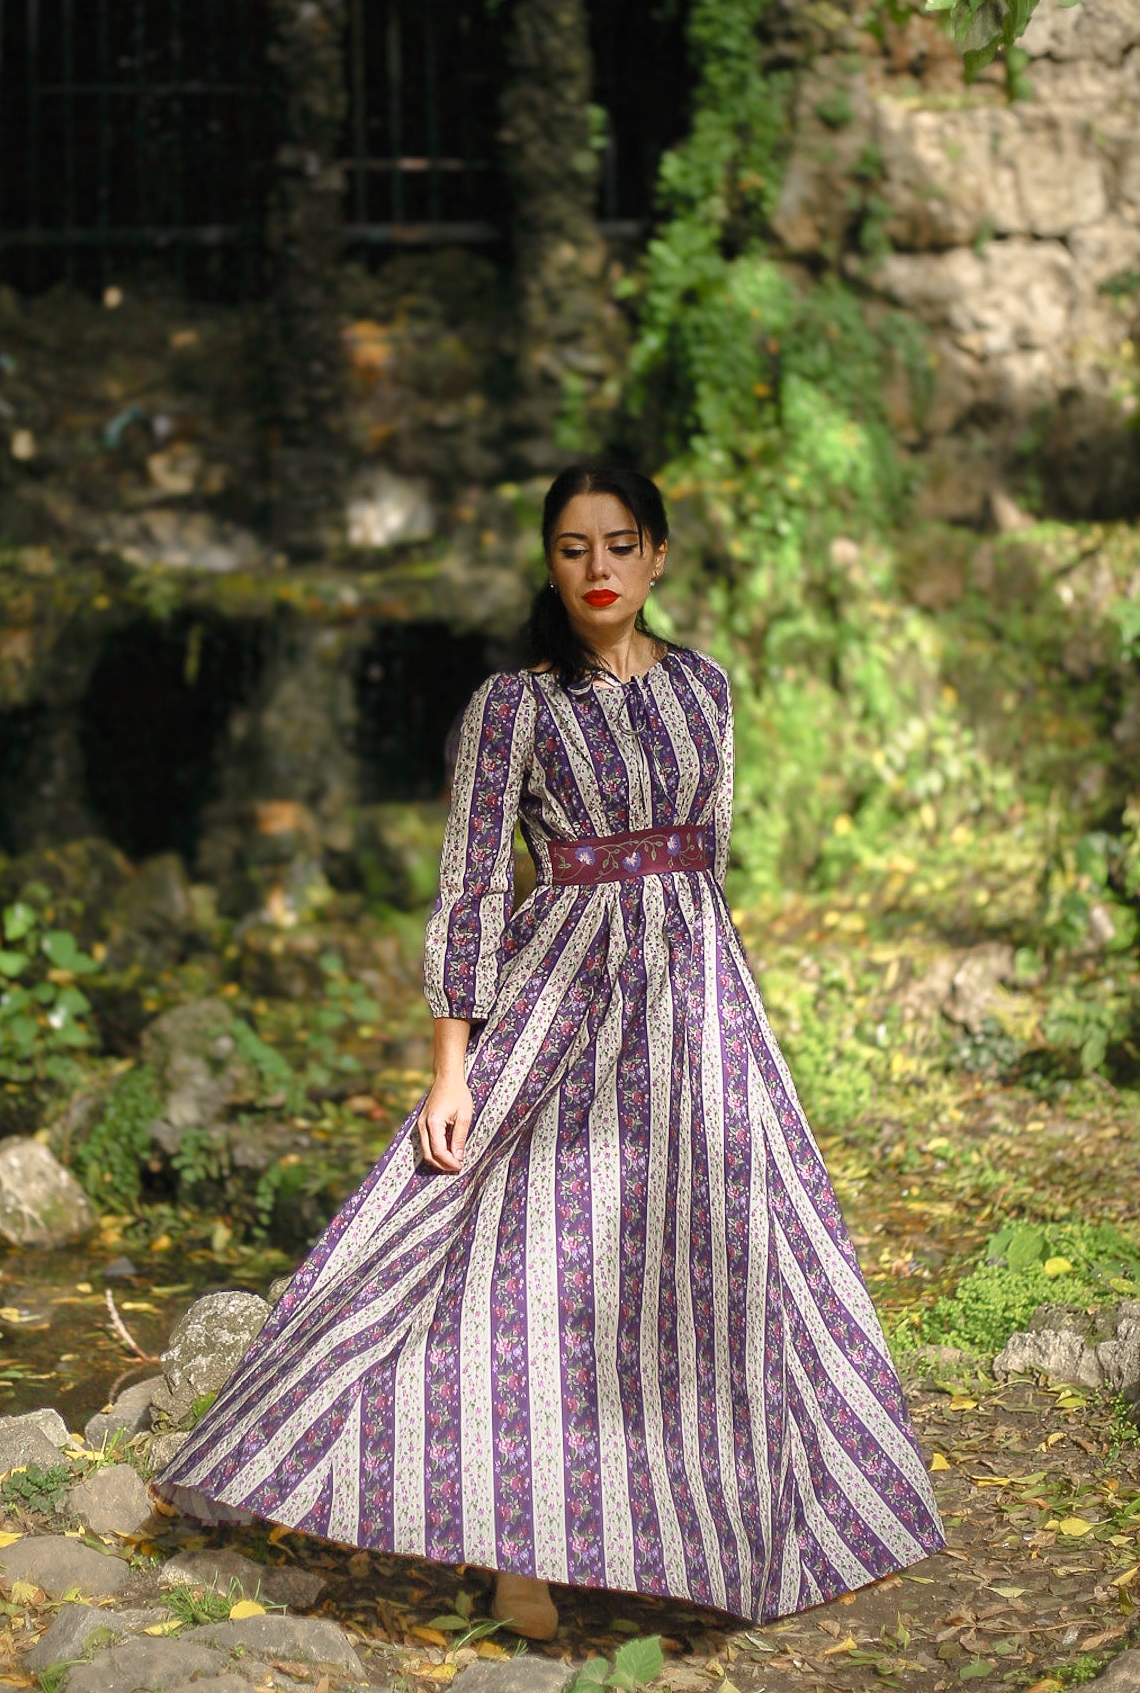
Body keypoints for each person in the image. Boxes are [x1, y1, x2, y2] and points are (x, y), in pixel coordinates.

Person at [153, 460, 944, 1637]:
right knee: (525, 1261)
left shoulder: (707, 689)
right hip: (560, 987)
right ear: (551, 563)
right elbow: (469, 885)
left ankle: (708, 1528)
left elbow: (709, 858)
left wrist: (710, 1003)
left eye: (620, 546)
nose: (599, 571)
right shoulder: (512, 706)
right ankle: (512, 1549)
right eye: (574, 550)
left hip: (694, 999)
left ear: (658, 555)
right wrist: (451, 1064)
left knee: (700, 1258)